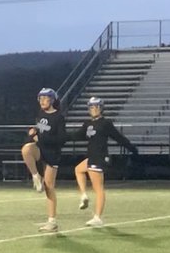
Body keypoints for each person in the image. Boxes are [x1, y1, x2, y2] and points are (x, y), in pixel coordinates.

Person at [72, 97, 138, 227]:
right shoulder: (87, 124)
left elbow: (119, 137)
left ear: (101, 108)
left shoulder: (106, 123)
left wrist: (132, 148)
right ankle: (84, 195)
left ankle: (97, 217)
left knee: (99, 189)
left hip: (99, 157)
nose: (94, 109)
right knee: (78, 170)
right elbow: (76, 135)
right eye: (91, 107)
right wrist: (59, 136)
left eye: (96, 107)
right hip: (91, 157)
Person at [21, 88, 66, 232]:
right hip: (41, 150)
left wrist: (40, 137)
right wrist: (32, 134)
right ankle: (35, 177)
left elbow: (60, 139)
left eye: (45, 98)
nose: (42, 101)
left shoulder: (59, 117)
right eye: (40, 98)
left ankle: (52, 221)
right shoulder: (40, 114)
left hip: (52, 153)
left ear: (52, 100)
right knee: (26, 149)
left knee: (49, 186)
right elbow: (38, 132)